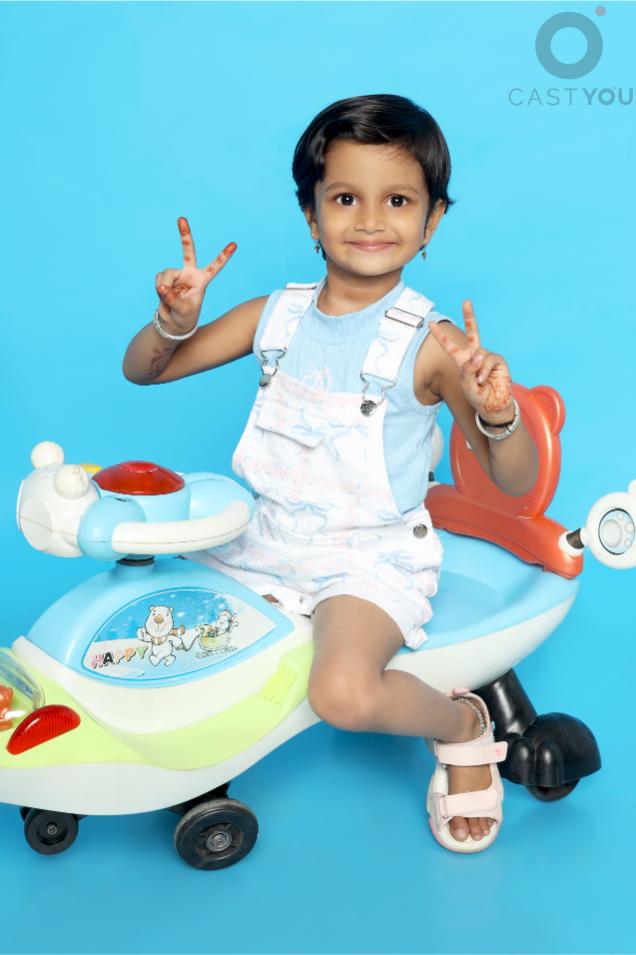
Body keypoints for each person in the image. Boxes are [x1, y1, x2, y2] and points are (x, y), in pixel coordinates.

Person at [123, 93, 538, 853]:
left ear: (433, 220)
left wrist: (498, 415)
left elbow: (512, 481)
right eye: (345, 198)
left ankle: (463, 724)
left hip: (367, 558)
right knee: (163, 634)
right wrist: (173, 324)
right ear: (311, 215)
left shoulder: (433, 344)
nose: (370, 219)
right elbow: (145, 372)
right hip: (262, 542)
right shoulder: (273, 318)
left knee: (342, 693)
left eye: (398, 200)